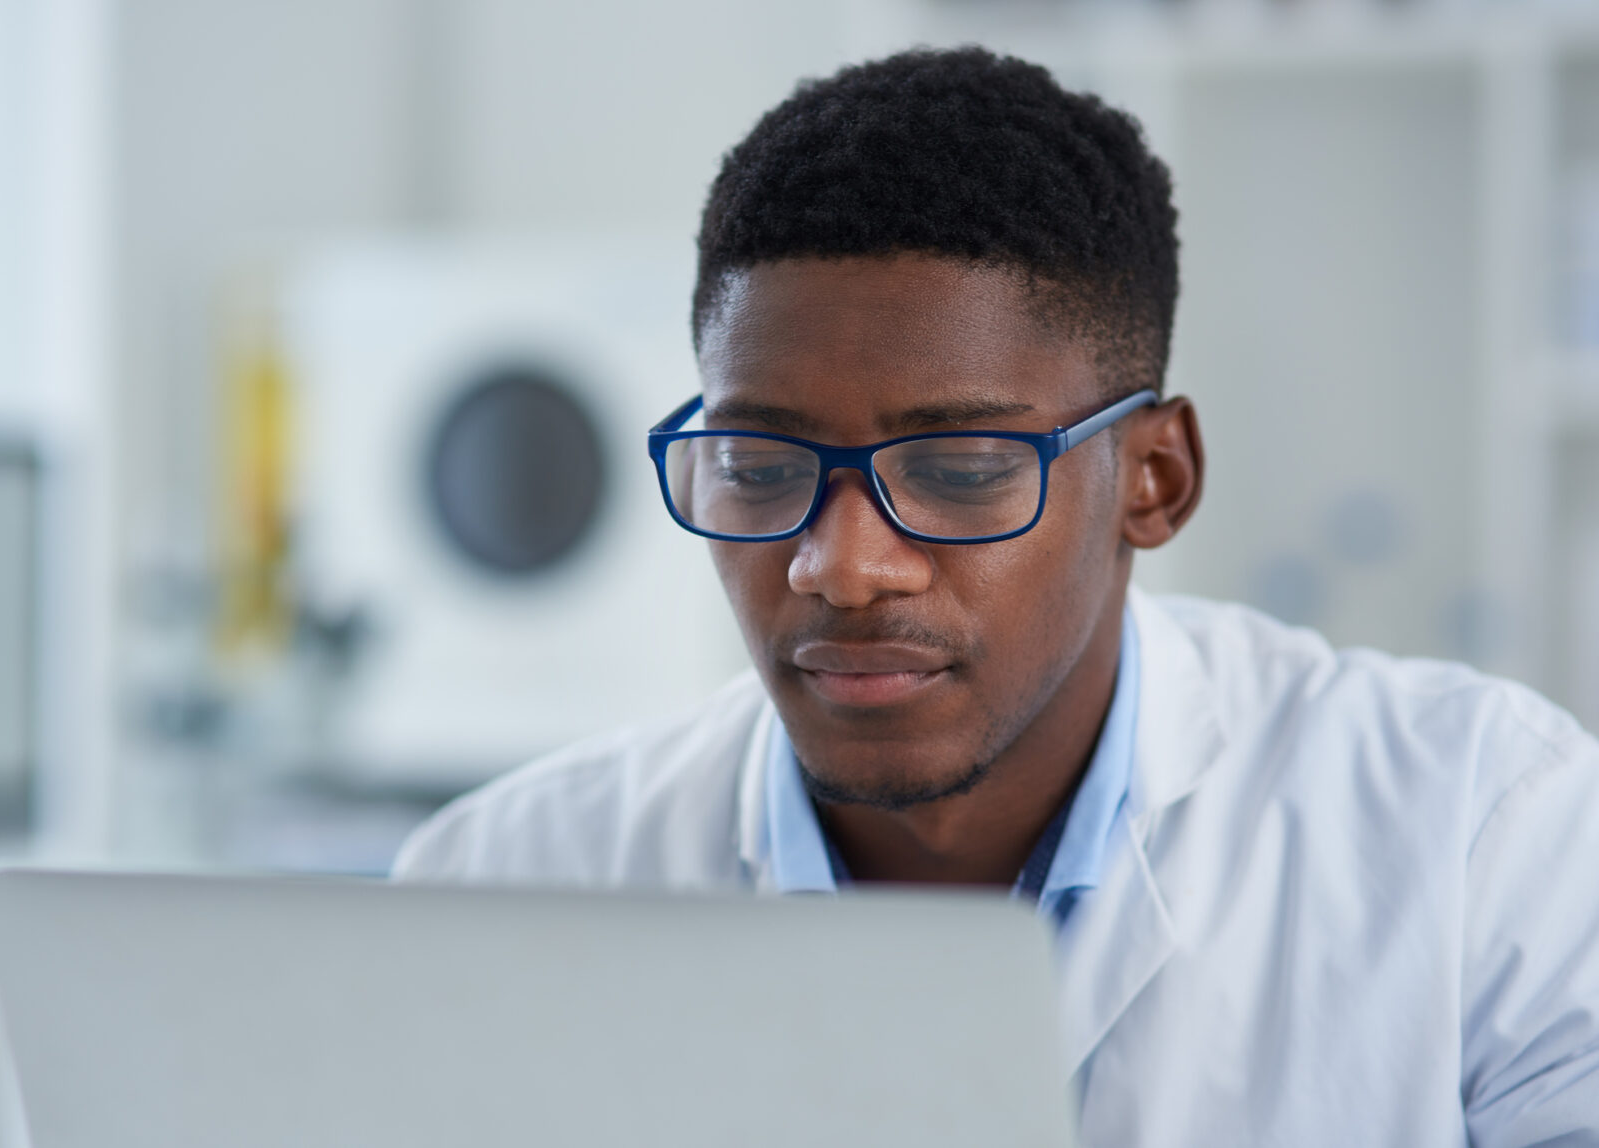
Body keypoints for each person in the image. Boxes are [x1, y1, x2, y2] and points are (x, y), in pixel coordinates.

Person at [393, 47, 1599, 1145]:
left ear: (1153, 479)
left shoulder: (1491, 840)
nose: (842, 565)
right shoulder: (499, 886)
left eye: (960, 470)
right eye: (760, 470)